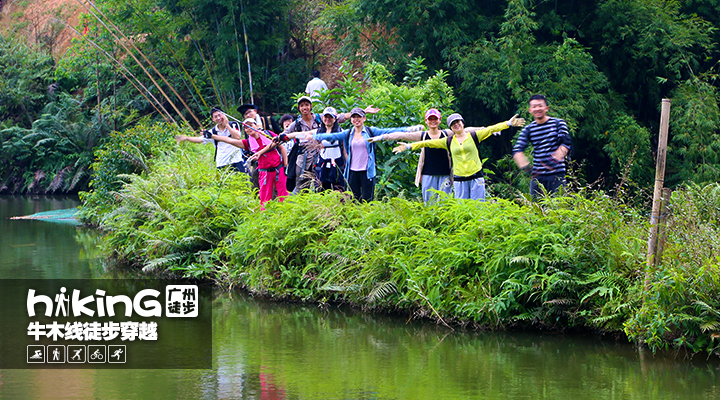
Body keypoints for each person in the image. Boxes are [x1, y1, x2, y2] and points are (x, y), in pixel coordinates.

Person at [281, 107, 422, 202]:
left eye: (359, 117)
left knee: (367, 201)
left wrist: (410, 129)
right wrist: (288, 136)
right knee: (353, 200)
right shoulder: (347, 133)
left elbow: (390, 132)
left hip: (367, 172)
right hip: (351, 171)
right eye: (353, 117)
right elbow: (313, 135)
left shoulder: (371, 131)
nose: (356, 120)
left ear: (364, 118)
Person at [393, 113, 525, 201]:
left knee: (478, 208)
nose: (456, 125)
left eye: (458, 122)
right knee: (462, 209)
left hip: (476, 177)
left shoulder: (474, 136)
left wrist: (508, 123)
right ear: (450, 127)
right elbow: (427, 143)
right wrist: (408, 146)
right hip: (459, 179)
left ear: (462, 123)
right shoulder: (448, 141)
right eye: (453, 124)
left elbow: (491, 129)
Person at [369, 108, 482, 204]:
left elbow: (467, 130)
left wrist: (485, 130)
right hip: (427, 175)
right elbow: (402, 135)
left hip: (445, 175)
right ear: (426, 121)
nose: (433, 121)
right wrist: (382, 137)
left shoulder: (447, 134)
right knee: (429, 203)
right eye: (430, 119)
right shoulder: (422, 135)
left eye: (435, 119)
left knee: (445, 203)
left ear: (439, 120)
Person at [283, 96, 378, 194]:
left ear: (311, 106)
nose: (304, 108)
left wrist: (363, 111)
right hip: (309, 159)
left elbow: (344, 117)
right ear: (298, 108)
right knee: (307, 186)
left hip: (329, 160)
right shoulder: (299, 124)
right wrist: (279, 138)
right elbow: (291, 134)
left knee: (337, 187)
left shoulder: (322, 120)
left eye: (306, 105)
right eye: (302, 105)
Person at [211, 119, 289, 209]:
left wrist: (285, 165)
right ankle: (265, 216)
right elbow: (229, 140)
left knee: (283, 193)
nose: (249, 128)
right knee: (265, 196)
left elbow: (281, 147)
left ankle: (285, 211)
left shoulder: (268, 134)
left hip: (279, 168)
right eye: (246, 127)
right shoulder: (248, 143)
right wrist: (212, 136)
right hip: (265, 172)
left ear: (256, 126)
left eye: (251, 125)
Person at [512, 94, 572, 197]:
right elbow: (517, 150)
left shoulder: (558, 123)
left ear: (546, 108)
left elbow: (566, 144)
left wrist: (553, 160)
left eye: (540, 106)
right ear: (530, 110)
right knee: (537, 210)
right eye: (534, 106)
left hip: (557, 175)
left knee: (559, 209)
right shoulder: (528, 129)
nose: (537, 109)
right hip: (537, 177)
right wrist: (526, 167)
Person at [175, 106, 246, 173]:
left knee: (243, 182)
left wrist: (227, 124)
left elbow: (237, 137)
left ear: (224, 115)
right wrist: (186, 138)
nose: (218, 118)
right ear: (213, 119)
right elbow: (199, 140)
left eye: (220, 115)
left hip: (236, 160)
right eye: (215, 117)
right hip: (222, 162)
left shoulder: (233, 124)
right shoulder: (212, 131)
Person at [314, 107, 347, 191]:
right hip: (322, 163)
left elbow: (345, 151)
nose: (328, 119)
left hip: (337, 163)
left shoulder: (341, 132)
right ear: (322, 118)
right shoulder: (318, 132)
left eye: (330, 117)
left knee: (339, 188)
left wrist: (347, 165)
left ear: (335, 119)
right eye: (326, 116)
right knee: (321, 189)